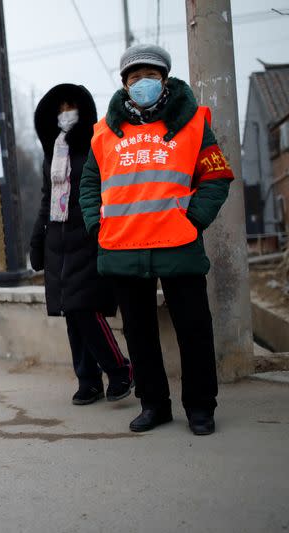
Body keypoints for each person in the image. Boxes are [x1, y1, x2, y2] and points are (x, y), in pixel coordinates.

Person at [79, 44, 233, 436]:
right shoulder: (103, 133)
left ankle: (200, 407)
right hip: (122, 247)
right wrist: (98, 227)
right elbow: (89, 185)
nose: (141, 84)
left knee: (193, 328)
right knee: (139, 331)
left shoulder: (193, 123)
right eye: (134, 78)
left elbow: (216, 177)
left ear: (164, 80)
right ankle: (154, 405)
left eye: (149, 77)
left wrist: (193, 221)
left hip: (178, 245)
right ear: (124, 84)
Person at [30, 84, 133, 406]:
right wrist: (37, 238)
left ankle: (119, 369)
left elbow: (107, 192)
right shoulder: (53, 150)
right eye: (59, 108)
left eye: (71, 106)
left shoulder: (96, 144)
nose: (65, 113)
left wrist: (101, 230)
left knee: (84, 308)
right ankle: (87, 381)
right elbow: (47, 198)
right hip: (57, 238)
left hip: (88, 234)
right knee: (71, 312)